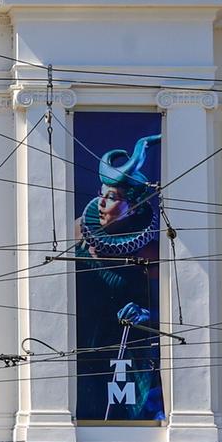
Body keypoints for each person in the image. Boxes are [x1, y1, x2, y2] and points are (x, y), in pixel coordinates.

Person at [71, 132, 163, 420]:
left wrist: (147, 314)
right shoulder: (78, 233)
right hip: (81, 343)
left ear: (133, 206)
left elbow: (171, 310)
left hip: (124, 350)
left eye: (111, 198)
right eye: (101, 194)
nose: (101, 203)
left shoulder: (150, 253)